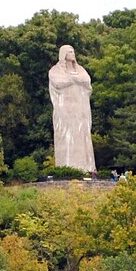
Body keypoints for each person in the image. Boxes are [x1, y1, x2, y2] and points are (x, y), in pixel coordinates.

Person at [49, 45, 96, 174]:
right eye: (70, 52)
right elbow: (58, 82)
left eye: (73, 51)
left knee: (82, 137)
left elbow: (86, 81)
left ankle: (86, 169)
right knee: (66, 137)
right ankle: (67, 169)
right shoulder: (55, 70)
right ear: (63, 54)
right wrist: (74, 79)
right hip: (65, 111)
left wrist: (72, 79)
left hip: (81, 111)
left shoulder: (80, 69)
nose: (73, 53)